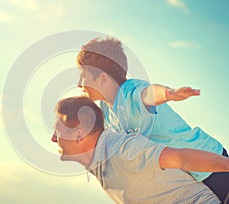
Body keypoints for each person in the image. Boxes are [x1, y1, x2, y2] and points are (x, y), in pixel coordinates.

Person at [76, 36, 229, 202]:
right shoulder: (106, 108)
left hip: (210, 163)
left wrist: (169, 94)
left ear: (103, 78)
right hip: (189, 175)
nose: (79, 83)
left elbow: (148, 94)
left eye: (83, 75)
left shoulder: (131, 91)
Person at [51, 96, 229, 204]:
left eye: (57, 132)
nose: (53, 138)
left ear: (78, 135)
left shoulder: (123, 149)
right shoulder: (99, 161)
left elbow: (181, 158)